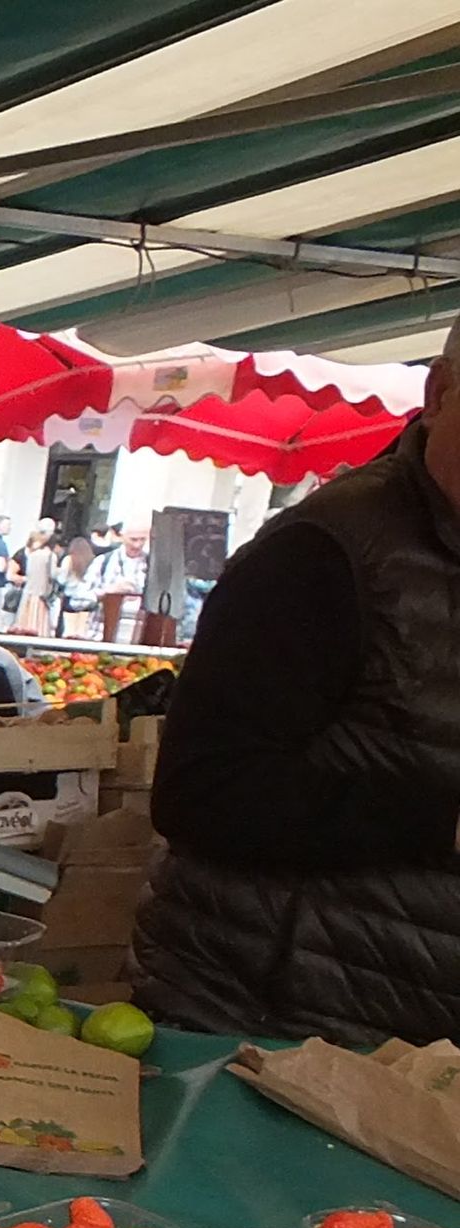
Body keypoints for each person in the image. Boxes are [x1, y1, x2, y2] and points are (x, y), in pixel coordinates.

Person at [131, 321, 460, 1045]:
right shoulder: (322, 556)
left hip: (420, 1045)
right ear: (438, 393)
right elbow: (205, 792)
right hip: (274, 1027)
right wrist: (440, 820)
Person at [11, 522, 61, 635]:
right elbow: (52, 574)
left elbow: (28, 572)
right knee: (39, 622)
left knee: (25, 621)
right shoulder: (51, 556)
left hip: (29, 591)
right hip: (42, 593)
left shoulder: (32, 555)